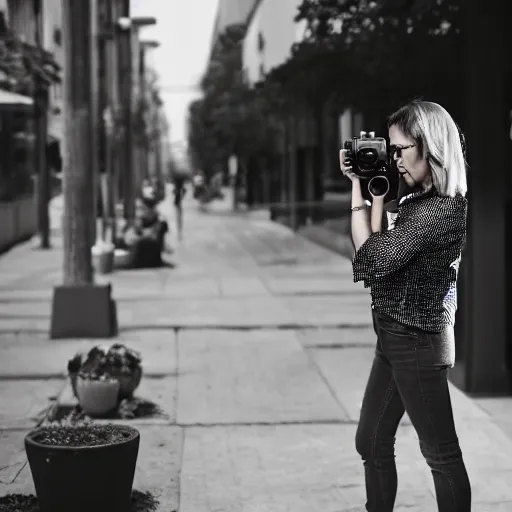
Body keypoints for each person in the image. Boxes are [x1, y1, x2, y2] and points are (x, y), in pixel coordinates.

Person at [339, 100, 471, 511]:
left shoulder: (439, 210)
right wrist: (364, 183)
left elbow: (373, 259)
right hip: (395, 335)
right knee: (372, 440)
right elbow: (377, 245)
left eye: (399, 150)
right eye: (389, 150)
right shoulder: (418, 201)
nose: (393, 159)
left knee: (440, 454)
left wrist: (359, 196)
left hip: (417, 341)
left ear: (429, 146)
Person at [118, 197, 169, 268]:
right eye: (138, 208)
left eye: (142, 208)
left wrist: (137, 237)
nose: (139, 211)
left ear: (150, 209)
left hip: (149, 257)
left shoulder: (160, 222)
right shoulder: (141, 221)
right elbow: (130, 234)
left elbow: (155, 238)